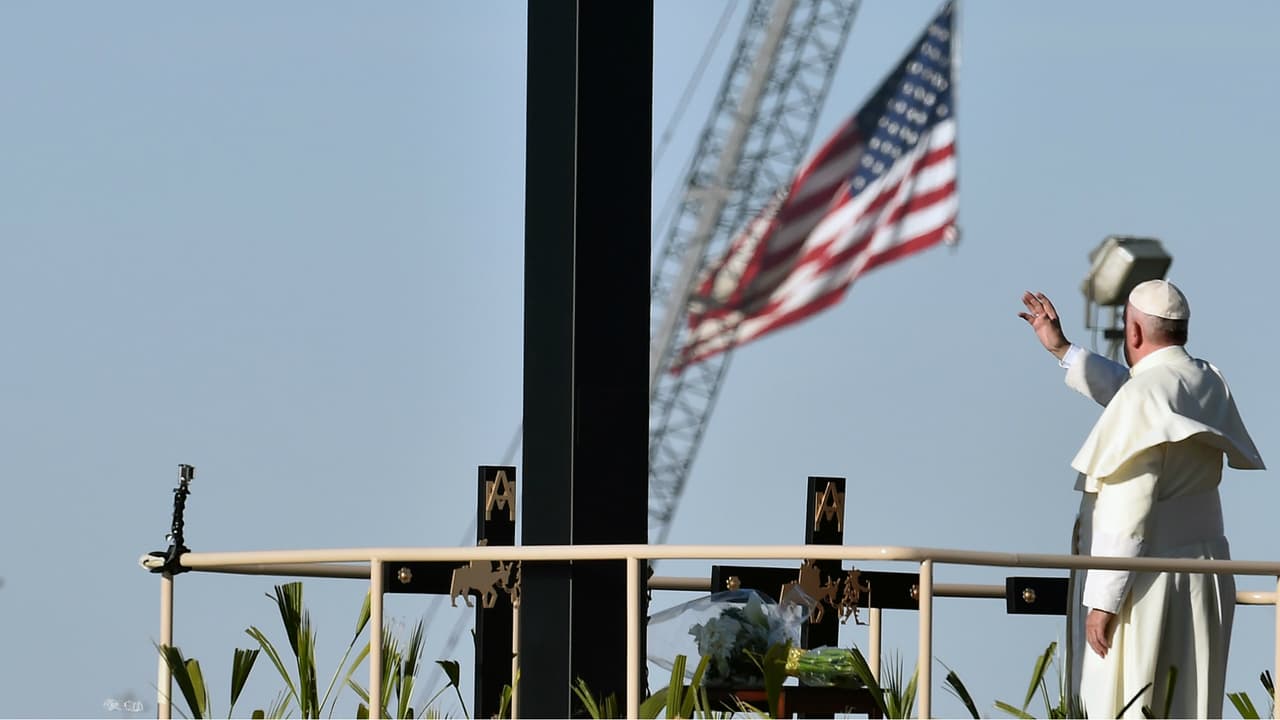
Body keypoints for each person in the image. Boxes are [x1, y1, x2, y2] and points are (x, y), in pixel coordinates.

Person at [1018, 280, 1264, 718]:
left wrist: (1104, 602)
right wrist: (1064, 351)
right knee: (1189, 702)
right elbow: (1136, 393)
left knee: (1128, 702)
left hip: (1143, 583)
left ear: (1133, 332)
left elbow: (1128, 511)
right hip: (1202, 575)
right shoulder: (1208, 380)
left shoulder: (1145, 396)